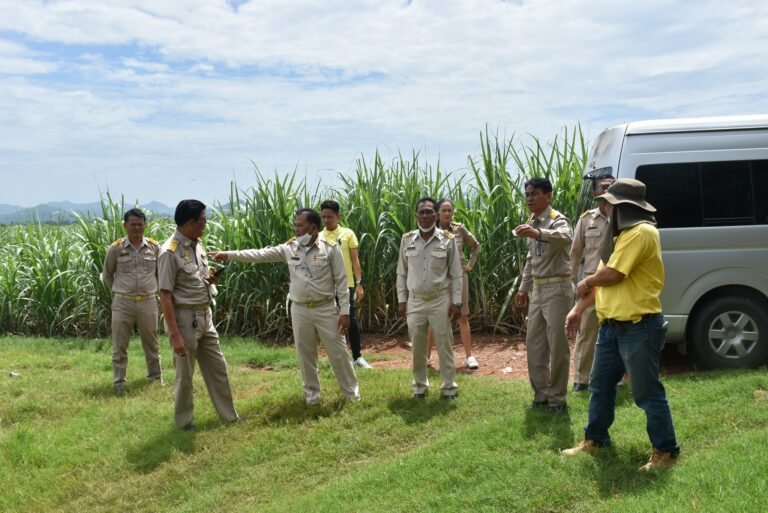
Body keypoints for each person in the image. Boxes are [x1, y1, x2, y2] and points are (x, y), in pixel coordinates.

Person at [563, 178, 680, 471]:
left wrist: (584, 282)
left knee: (646, 392)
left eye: (610, 203)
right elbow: (603, 281)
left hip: (639, 327)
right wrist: (579, 309)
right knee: (600, 387)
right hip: (612, 327)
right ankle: (595, 440)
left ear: (624, 206)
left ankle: (666, 451)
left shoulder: (642, 232)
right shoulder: (618, 238)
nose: (605, 208)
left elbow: (613, 274)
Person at [209, 208, 360, 405]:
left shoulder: (331, 249)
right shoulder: (290, 248)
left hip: (326, 308)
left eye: (300, 225)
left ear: (313, 227)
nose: (296, 230)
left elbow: (342, 282)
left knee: (338, 353)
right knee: (306, 356)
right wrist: (228, 255)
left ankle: (352, 395)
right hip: (300, 309)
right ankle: (312, 397)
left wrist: (345, 312)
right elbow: (260, 254)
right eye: (295, 225)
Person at [158, 200, 241, 430]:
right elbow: (165, 296)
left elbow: (194, 277)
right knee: (185, 376)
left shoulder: (196, 244)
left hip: (205, 316)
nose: (206, 224)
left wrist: (209, 280)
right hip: (184, 320)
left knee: (218, 368)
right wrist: (175, 336)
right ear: (191, 222)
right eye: (203, 219)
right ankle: (184, 423)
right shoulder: (169, 252)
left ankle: (229, 416)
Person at [514, 177, 573, 414]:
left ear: (547, 196)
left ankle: (557, 399)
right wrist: (522, 288)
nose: (529, 198)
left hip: (557, 288)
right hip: (538, 288)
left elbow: (566, 237)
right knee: (535, 344)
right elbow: (531, 259)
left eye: (534, 194)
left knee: (557, 345)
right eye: (527, 194)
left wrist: (538, 233)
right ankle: (541, 394)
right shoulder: (532, 222)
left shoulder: (557, 220)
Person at [397, 197, 463, 399]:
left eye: (429, 212)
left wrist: (457, 301)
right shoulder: (407, 239)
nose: (425, 216)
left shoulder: (447, 240)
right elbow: (401, 272)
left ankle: (449, 387)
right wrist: (402, 299)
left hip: (440, 300)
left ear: (436, 214)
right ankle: (419, 387)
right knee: (417, 347)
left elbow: (456, 273)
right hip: (415, 301)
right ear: (416, 215)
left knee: (444, 344)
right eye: (421, 212)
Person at [102, 208, 163, 395]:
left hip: (148, 302)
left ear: (145, 225)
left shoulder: (154, 247)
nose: (137, 227)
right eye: (133, 224)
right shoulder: (116, 248)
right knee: (120, 344)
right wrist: (120, 291)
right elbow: (107, 275)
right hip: (123, 303)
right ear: (125, 225)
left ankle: (155, 377)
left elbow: (162, 273)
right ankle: (119, 382)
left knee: (151, 342)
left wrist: (154, 289)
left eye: (140, 224)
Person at [569, 176, 615, 391]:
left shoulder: (621, 219)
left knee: (618, 330)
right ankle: (581, 378)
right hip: (590, 284)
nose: (607, 190)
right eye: (603, 187)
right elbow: (575, 253)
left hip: (616, 282)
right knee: (586, 332)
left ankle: (620, 378)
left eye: (611, 186)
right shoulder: (587, 220)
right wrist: (574, 283)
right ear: (596, 193)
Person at [426, 199, 481, 369]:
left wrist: (471, 264)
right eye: (444, 210)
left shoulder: (459, 229)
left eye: (450, 210)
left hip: (459, 277)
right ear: (437, 213)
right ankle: (426, 358)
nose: (447, 213)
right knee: (435, 318)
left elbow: (475, 246)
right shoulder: (430, 231)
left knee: (463, 316)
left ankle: (469, 357)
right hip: (438, 279)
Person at [319, 199, 373, 369]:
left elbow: (355, 259)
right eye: (324, 217)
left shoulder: (348, 234)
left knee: (351, 320)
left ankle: (357, 357)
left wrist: (359, 283)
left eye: (330, 217)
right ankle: (339, 359)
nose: (327, 220)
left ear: (338, 216)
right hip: (326, 287)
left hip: (346, 285)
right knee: (330, 323)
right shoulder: (319, 237)